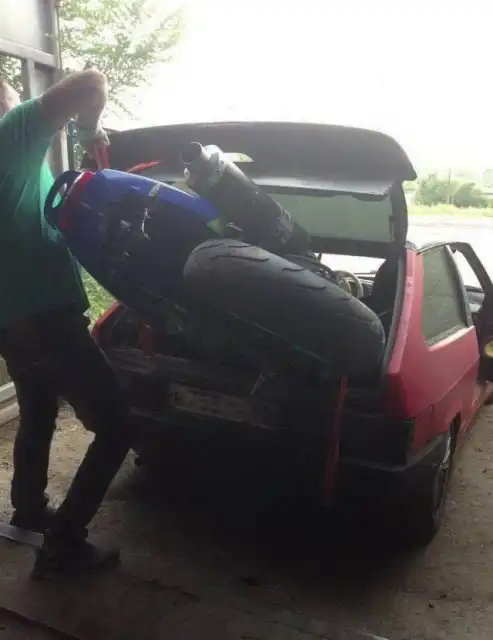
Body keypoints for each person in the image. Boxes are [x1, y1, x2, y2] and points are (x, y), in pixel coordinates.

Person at [0, 72, 132, 579]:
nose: (26, 104)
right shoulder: (12, 131)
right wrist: (88, 129)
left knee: (37, 412)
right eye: (16, 98)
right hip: (47, 318)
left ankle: (29, 509)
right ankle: (63, 544)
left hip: (12, 324)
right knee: (116, 426)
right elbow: (93, 82)